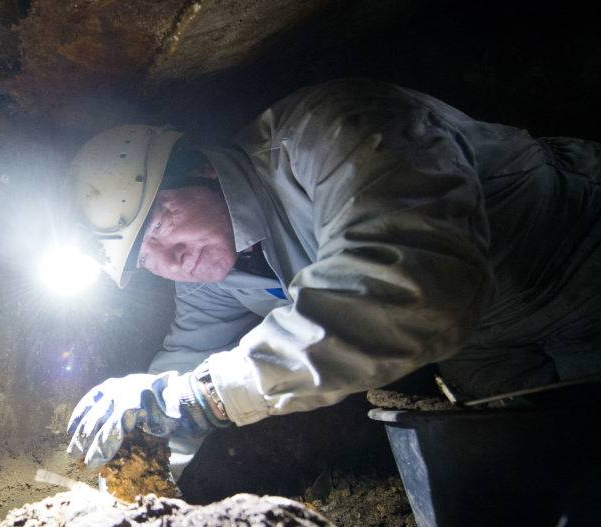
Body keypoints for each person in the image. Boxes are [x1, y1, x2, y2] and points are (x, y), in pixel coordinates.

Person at [65, 79, 601, 472]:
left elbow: (408, 289)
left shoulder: (333, 131)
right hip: (483, 345)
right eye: (143, 259)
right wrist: (142, 456)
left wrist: (203, 396)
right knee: (547, 476)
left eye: (160, 223)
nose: (170, 259)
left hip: (574, 259)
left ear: (202, 169)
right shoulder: (206, 270)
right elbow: (188, 357)